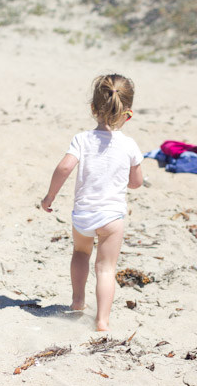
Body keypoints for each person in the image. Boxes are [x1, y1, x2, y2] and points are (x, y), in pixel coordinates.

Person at [41, 73, 143, 331]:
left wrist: (50, 196)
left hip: (83, 215)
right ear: (127, 113)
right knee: (106, 269)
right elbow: (136, 182)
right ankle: (102, 320)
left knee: (80, 253)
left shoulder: (82, 140)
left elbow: (64, 167)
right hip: (111, 218)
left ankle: (77, 300)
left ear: (93, 108)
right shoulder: (130, 145)